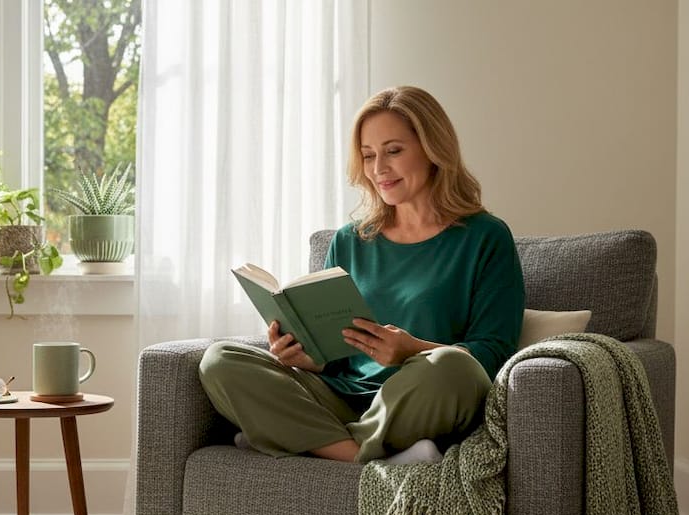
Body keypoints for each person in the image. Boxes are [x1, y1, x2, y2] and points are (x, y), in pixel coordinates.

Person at [199, 86, 525, 464]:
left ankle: (301, 440)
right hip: (341, 396)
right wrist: (307, 357)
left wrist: (412, 349)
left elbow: (495, 354)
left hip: (422, 396)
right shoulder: (350, 241)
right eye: (368, 156)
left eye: (393, 151)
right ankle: (365, 456)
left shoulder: (486, 238)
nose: (378, 169)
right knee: (219, 359)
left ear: (434, 148)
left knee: (453, 366)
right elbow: (339, 357)